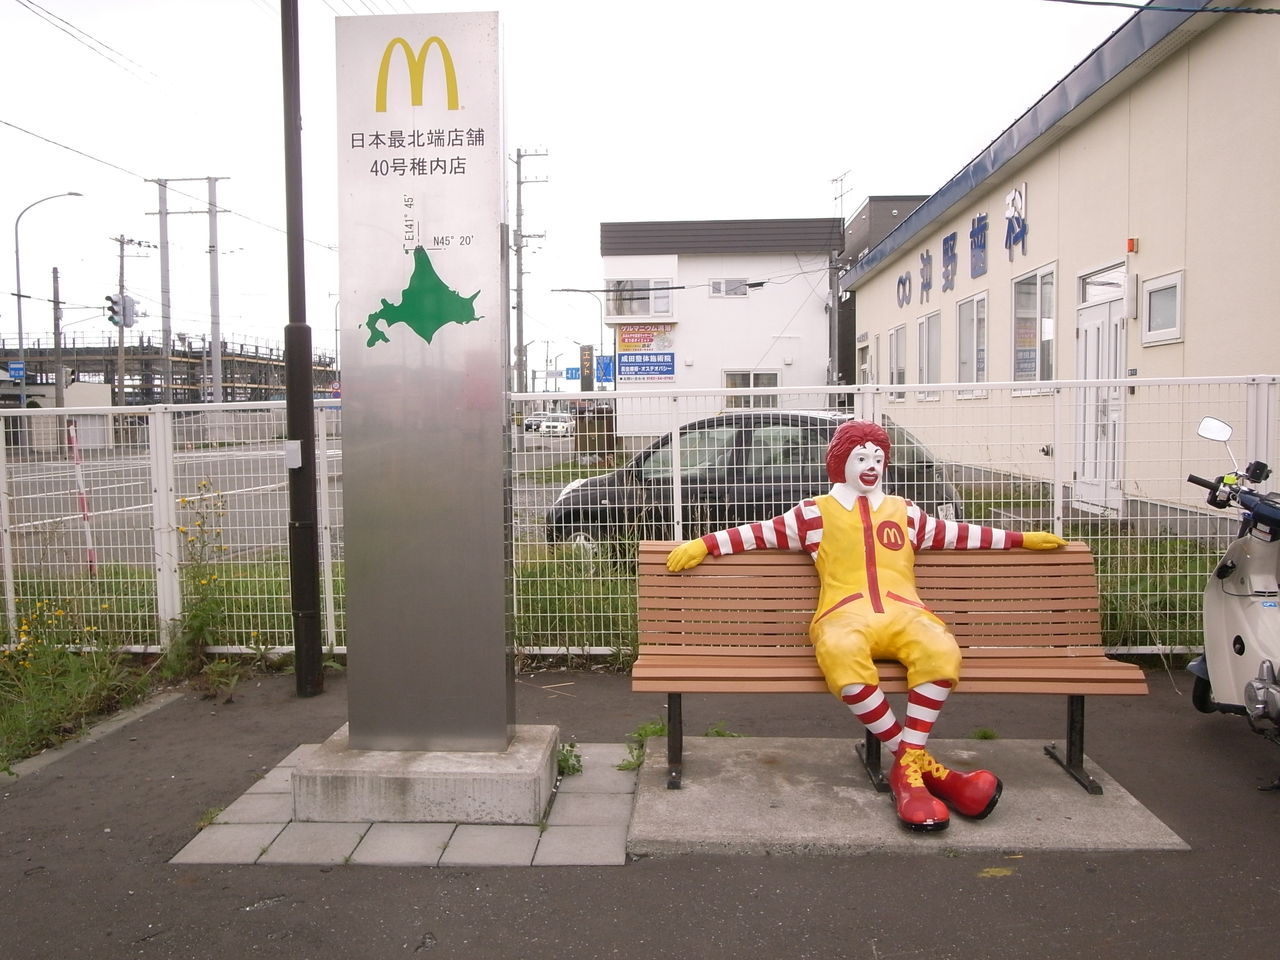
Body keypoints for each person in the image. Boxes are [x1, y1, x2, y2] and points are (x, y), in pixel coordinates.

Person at [666, 420, 1066, 832]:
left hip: (906, 612)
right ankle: (926, 772)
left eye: (877, 458)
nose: (871, 466)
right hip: (844, 615)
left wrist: (1020, 540)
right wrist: (705, 544)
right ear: (840, 462)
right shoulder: (813, 514)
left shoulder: (906, 512)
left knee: (940, 649)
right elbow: (758, 533)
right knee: (840, 653)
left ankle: (907, 769)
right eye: (861, 458)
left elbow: (958, 534)